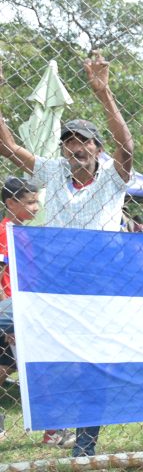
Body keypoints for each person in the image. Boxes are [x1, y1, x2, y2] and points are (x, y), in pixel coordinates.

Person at [0, 51, 134, 457]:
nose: (76, 148)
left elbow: (126, 146)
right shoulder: (53, 171)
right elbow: (8, 148)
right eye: (70, 142)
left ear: (97, 148)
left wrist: (104, 93)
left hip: (96, 290)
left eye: (84, 142)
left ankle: (85, 450)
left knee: (89, 366)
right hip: (50, 287)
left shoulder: (113, 177)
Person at [0, 177, 40, 440]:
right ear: (11, 202)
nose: (36, 207)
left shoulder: (20, 231)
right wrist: (8, 323)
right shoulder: (5, 231)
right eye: (31, 202)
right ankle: (53, 431)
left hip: (20, 309)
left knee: (4, 368)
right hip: (12, 311)